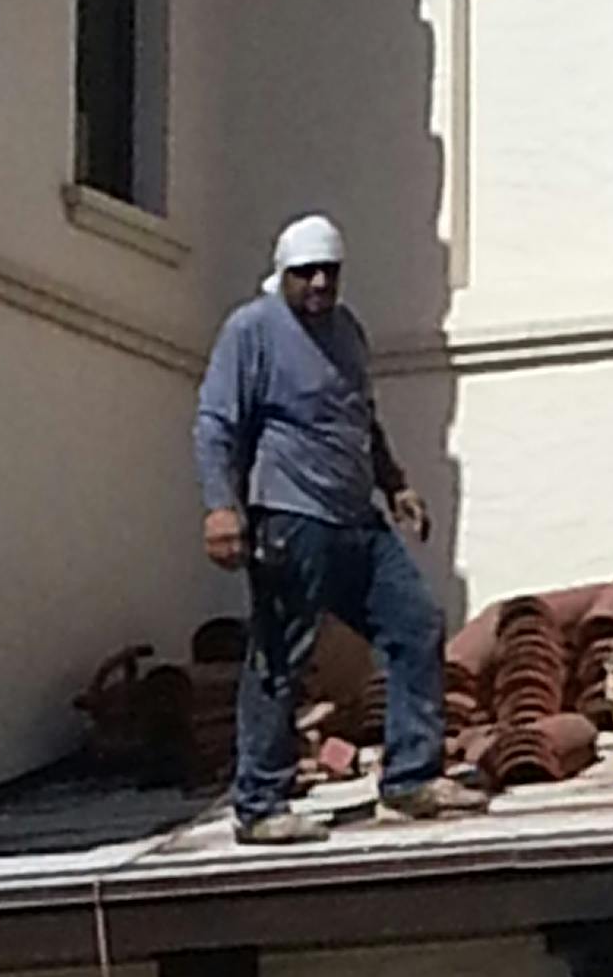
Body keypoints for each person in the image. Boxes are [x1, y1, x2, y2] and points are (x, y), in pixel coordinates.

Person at [193, 214, 485, 845]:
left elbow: (362, 418)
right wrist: (222, 507)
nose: (321, 283)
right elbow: (216, 422)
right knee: (281, 656)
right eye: (307, 273)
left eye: (330, 271)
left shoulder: (347, 332)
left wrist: (396, 483)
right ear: (283, 272)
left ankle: (411, 778)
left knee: (415, 623)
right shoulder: (253, 330)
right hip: (290, 519)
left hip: (357, 521)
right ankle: (260, 803)